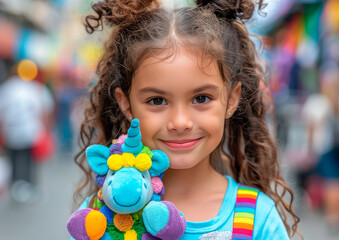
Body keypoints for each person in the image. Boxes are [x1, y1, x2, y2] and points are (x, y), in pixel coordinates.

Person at [73, 0, 301, 239]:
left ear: (232, 100)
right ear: (126, 104)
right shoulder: (98, 219)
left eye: (201, 98)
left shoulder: (258, 219)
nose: (180, 122)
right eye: (157, 101)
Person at [0, 68, 54, 203]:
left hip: (11, 130)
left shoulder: (6, 88)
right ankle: (28, 185)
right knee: (29, 159)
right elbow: (45, 110)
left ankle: (15, 185)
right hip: (30, 130)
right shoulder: (35, 88)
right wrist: (47, 130)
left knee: (13, 158)